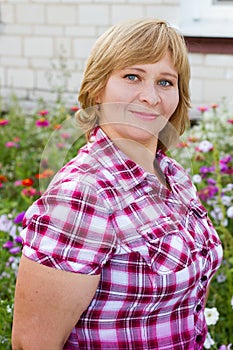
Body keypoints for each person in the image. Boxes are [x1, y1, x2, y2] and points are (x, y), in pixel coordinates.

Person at [12, 18, 223, 350]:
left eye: (166, 82)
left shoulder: (174, 176)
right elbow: (32, 343)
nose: (150, 97)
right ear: (99, 87)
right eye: (132, 76)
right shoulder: (83, 193)